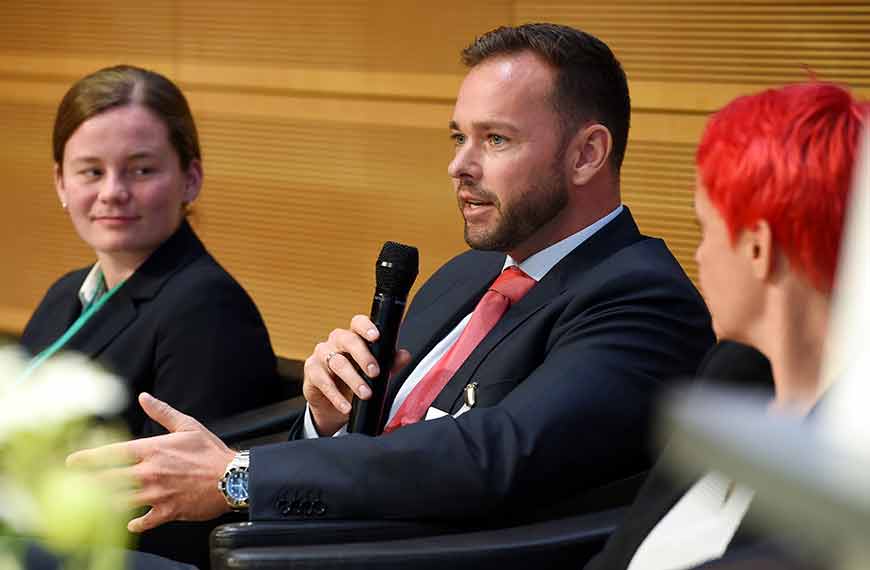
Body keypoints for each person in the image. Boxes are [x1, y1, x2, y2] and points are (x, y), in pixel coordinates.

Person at [68, 23, 714, 539]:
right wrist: (329, 418)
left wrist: (237, 476)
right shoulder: (467, 275)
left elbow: (488, 458)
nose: (459, 166)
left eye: (495, 140)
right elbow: (380, 449)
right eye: (459, 137)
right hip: (306, 546)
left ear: (586, 154)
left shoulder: (638, 295)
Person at [586, 81, 867, 570]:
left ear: (758, 249)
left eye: (704, 229)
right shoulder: (730, 373)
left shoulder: (848, 461)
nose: (698, 256)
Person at [20, 65, 285, 567]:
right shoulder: (64, 295)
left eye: (141, 169)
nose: (113, 191)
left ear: (191, 178)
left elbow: (187, 516)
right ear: (60, 182)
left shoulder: (208, 309)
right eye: (91, 171)